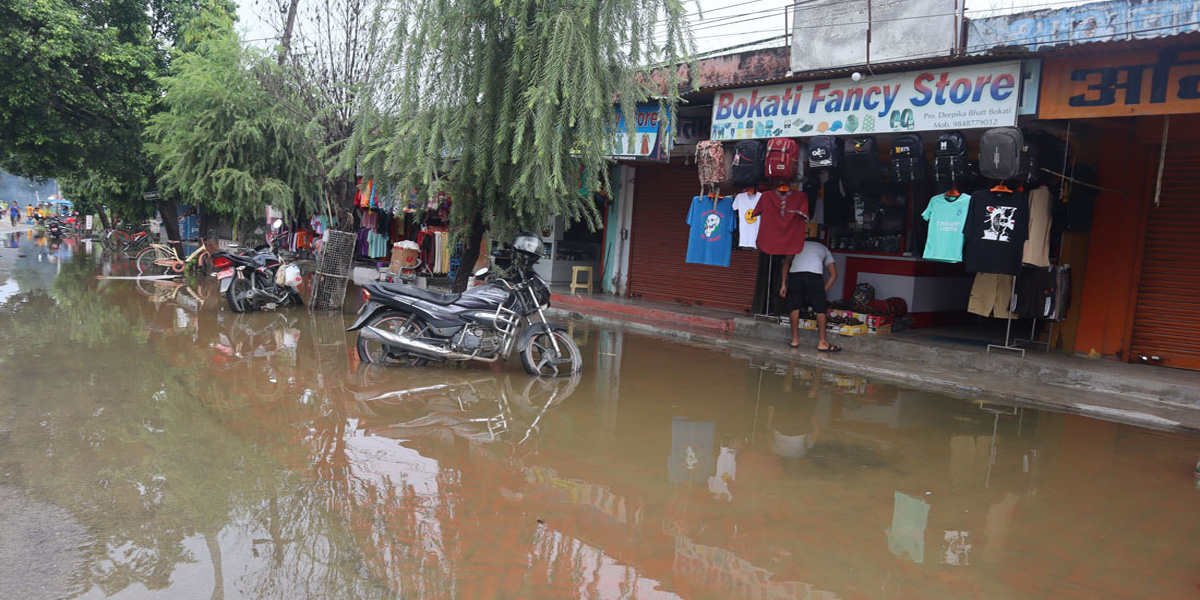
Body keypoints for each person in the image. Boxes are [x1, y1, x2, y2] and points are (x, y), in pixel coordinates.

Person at [779, 238, 839, 352]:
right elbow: (834, 274)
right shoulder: (823, 248)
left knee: (794, 307)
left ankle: (795, 340)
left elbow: (786, 262)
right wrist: (823, 290)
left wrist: (783, 284)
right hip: (814, 276)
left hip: (795, 275)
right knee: (820, 309)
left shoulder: (797, 243)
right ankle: (822, 343)